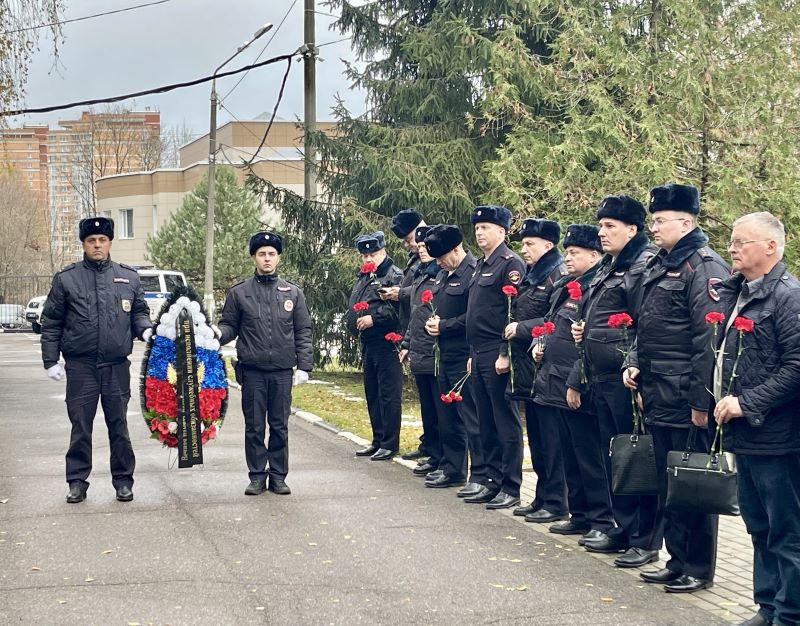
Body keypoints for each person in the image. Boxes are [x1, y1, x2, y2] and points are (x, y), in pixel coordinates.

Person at [624, 184, 728, 588]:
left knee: (693, 484)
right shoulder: (659, 263)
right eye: (654, 219)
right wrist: (634, 363)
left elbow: (708, 341)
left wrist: (702, 401)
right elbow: (645, 323)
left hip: (685, 395)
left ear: (686, 222)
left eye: (661, 220)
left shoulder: (704, 266)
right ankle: (676, 559)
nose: (654, 226)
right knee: (670, 482)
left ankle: (698, 568)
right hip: (656, 391)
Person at [711, 212, 800, 626]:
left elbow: (796, 368)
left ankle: (790, 613)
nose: (732, 248)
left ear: (770, 247)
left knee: (786, 532)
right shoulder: (736, 292)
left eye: (741, 242)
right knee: (758, 527)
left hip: (779, 437)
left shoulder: (788, 297)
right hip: (744, 436)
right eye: (732, 241)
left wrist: (746, 403)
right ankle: (767, 606)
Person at [568, 195, 660, 563]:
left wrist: (636, 368)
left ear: (632, 229)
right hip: (601, 376)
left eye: (610, 227)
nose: (601, 232)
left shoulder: (642, 264)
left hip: (626, 379)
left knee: (637, 461)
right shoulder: (611, 265)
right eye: (601, 225)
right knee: (616, 458)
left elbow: (645, 323)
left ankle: (645, 539)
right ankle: (622, 529)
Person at [41, 216, 152, 504]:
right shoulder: (67, 279)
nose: (97, 245)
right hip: (81, 367)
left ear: (110, 242)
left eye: (102, 240)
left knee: (119, 426)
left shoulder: (129, 277)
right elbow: (51, 322)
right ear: (84, 244)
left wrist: (147, 330)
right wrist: (51, 360)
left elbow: (139, 313)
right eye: (92, 241)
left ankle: (123, 481)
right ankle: (77, 481)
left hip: (116, 366)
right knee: (80, 426)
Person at [532, 224, 616, 544]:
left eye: (574, 253)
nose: (567, 257)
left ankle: (601, 520)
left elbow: (588, 340)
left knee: (590, 457)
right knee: (570, 455)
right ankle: (578, 514)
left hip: (579, 383)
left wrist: (577, 380)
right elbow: (552, 324)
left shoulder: (595, 286)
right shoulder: (566, 285)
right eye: (566, 252)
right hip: (554, 379)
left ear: (594, 256)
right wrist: (539, 343)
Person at [217, 231, 313, 496]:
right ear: (253, 257)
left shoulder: (292, 292)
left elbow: (303, 330)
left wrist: (304, 366)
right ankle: (257, 475)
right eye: (262, 254)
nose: (267, 259)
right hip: (252, 372)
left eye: (271, 254)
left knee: (280, 426)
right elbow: (229, 326)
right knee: (255, 427)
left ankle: (279, 476)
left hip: (282, 371)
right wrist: (216, 335)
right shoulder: (239, 293)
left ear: (278, 257)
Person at [503, 218, 569, 522]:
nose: (524, 249)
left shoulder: (557, 275)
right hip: (529, 367)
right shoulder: (532, 275)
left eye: (530, 244)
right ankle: (542, 495)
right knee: (538, 439)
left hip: (545, 366)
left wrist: (521, 328)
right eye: (524, 243)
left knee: (553, 441)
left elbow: (553, 319)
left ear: (548, 245)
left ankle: (556, 501)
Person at [464, 205, 526, 509]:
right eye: (477, 228)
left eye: (486, 227)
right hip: (479, 352)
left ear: (501, 231)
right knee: (485, 420)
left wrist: (505, 353)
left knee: (505, 420)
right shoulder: (480, 264)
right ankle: (490, 478)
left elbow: (513, 312)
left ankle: (510, 485)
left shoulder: (509, 264)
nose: (479, 232)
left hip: (497, 351)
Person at [345, 231, 404, 460]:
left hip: (386, 341)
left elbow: (399, 312)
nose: (369, 259)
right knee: (373, 393)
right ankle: (378, 439)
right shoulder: (364, 276)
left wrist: (374, 319)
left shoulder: (393, 275)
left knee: (389, 393)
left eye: (374, 254)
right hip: (368, 342)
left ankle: (390, 442)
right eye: (365, 255)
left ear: (383, 252)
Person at [398, 226, 444, 482]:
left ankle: (443, 457)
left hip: (435, 350)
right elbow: (416, 316)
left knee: (441, 410)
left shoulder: (441, 276)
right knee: (428, 407)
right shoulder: (420, 275)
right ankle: (433, 453)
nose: (423, 250)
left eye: (427, 247)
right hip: (419, 348)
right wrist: (406, 344)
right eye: (421, 247)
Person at [386, 209, 431, 462]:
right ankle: (428, 443)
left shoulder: (433, 248)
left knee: (434, 399)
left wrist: (399, 293)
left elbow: (427, 289)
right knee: (424, 397)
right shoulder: (415, 256)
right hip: (413, 331)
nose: (409, 244)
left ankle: (436, 448)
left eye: (409, 238)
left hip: (427, 334)